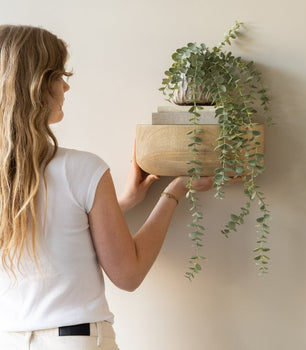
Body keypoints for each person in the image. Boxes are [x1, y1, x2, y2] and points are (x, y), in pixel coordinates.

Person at [0, 25, 214, 349]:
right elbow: (128, 275)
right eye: (58, 75)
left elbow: (52, 225)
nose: (66, 85)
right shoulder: (82, 169)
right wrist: (176, 190)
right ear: (36, 87)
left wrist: (120, 203)